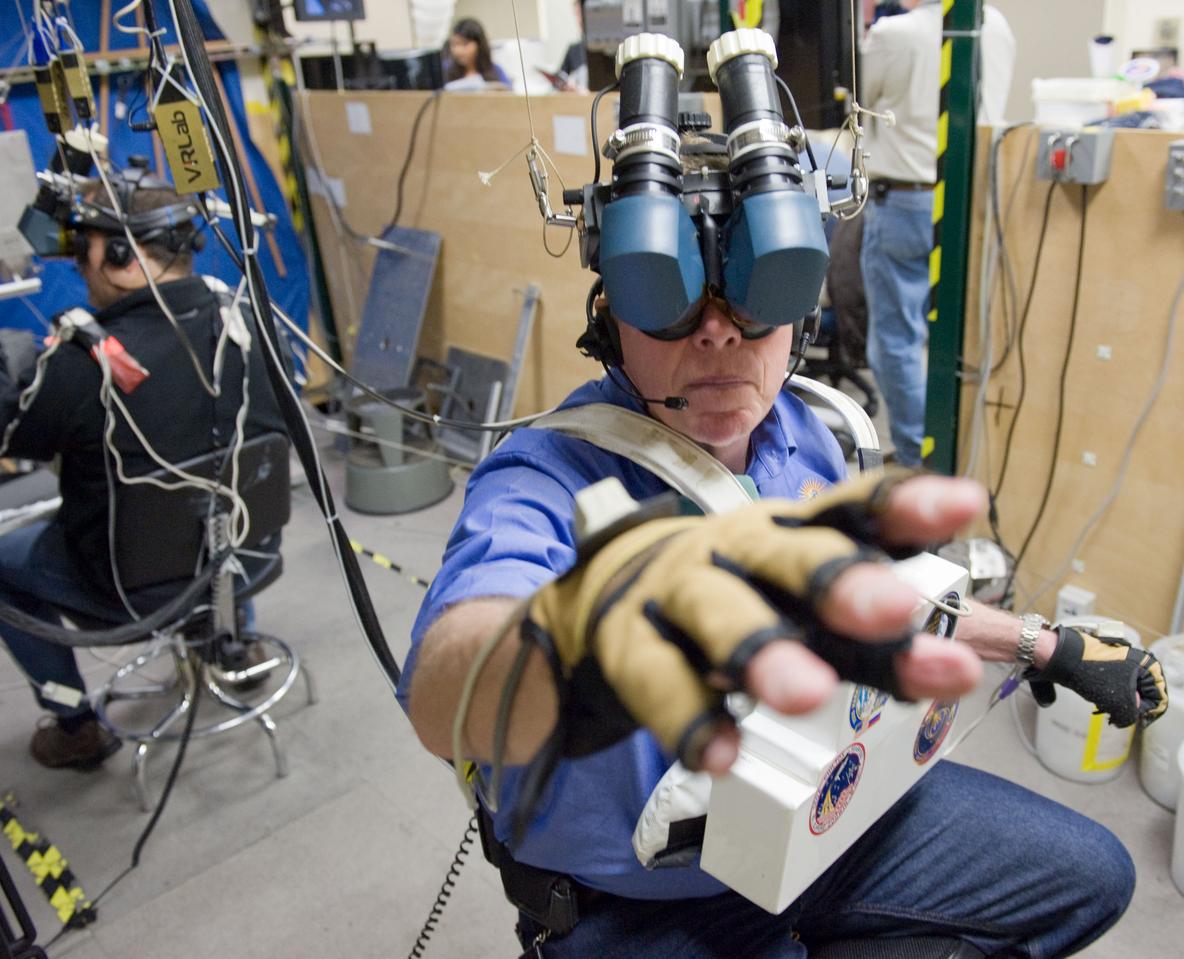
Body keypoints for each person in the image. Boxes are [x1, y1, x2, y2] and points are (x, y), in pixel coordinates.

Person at [398, 130, 1166, 954]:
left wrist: (1041, 643)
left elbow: (867, 594)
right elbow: (446, 698)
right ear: (611, 311)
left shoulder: (806, 430)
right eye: (670, 293)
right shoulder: (542, 477)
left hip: (821, 824)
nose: (719, 334)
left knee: (1086, 875)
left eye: (758, 289)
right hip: (651, 899)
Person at [0, 170, 288, 770]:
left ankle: (76, 725)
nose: (77, 265)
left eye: (82, 247)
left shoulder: (85, 363)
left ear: (118, 252)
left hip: (126, 590)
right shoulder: (251, 325)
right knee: (218, 492)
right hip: (248, 559)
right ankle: (230, 643)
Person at [858, 1, 1015, 466]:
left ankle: (913, 458)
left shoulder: (895, 33)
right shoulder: (997, 25)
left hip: (906, 201)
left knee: (897, 340)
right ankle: (954, 453)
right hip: (969, 199)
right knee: (957, 336)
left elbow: (859, 100)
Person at [444, 17, 511, 89]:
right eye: (454, 44)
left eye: (464, 44)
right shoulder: (444, 71)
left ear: (479, 44)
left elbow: (510, 95)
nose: (458, 50)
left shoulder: (496, 71)